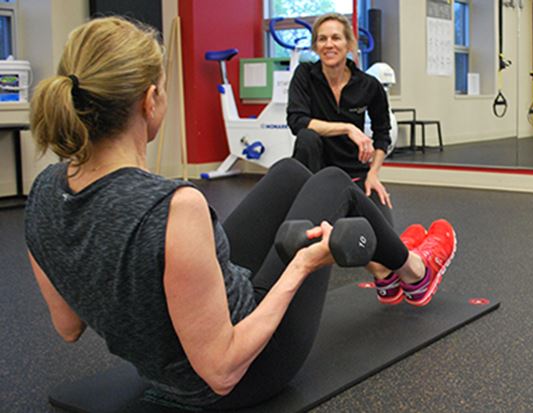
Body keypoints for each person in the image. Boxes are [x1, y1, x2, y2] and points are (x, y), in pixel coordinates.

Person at [24, 17, 456, 410]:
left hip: (171, 351)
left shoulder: (42, 192)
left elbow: (68, 325)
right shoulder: (172, 206)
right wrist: (303, 265)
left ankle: (390, 269)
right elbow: (223, 370)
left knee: (289, 172)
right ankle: (417, 271)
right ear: (150, 100)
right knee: (331, 183)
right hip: (244, 369)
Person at [287, 13, 393, 223]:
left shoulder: (368, 85)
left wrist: (373, 174)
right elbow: (297, 121)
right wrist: (348, 128)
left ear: (349, 44)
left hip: (354, 172)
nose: (329, 45)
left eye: (336, 38)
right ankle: (307, 202)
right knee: (307, 137)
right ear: (316, 46)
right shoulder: (305, 75)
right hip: (314, 172)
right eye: (322, 39)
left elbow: (382, 134)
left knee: (385, 232)